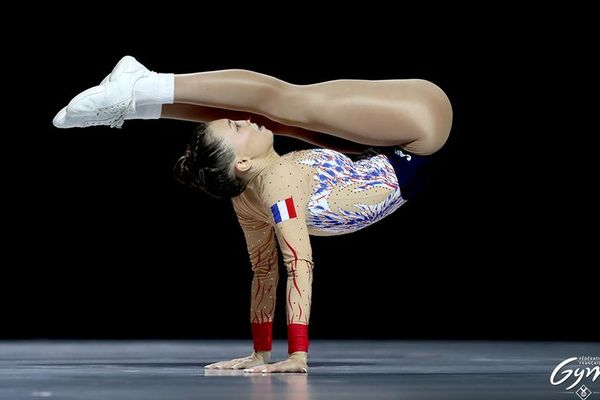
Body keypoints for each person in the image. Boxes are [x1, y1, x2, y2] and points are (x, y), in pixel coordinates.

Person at [53, 56, 453, 373]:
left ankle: (139, 97)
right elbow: (292, 266)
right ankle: (141, 92)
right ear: (242, 162)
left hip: (387, 149)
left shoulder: (248, 194)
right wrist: (288, 354)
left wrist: (266, 350)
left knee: (283, 114)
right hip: (420, 130)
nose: (242, 119)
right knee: (283, 104)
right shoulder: (276, 187)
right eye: (235, 127)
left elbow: (268, 272)